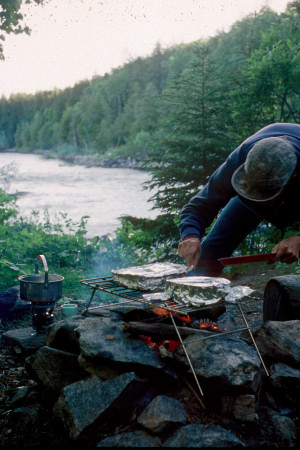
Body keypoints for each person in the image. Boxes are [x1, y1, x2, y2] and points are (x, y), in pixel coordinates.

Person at [178, 123, 300, 276]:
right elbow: (200, 206)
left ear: (292, 178)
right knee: (208, 255)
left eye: (266, 195)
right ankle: (197, 295)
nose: (260, 201)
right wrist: (191, 236)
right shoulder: (240, 159)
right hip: (247, 201)